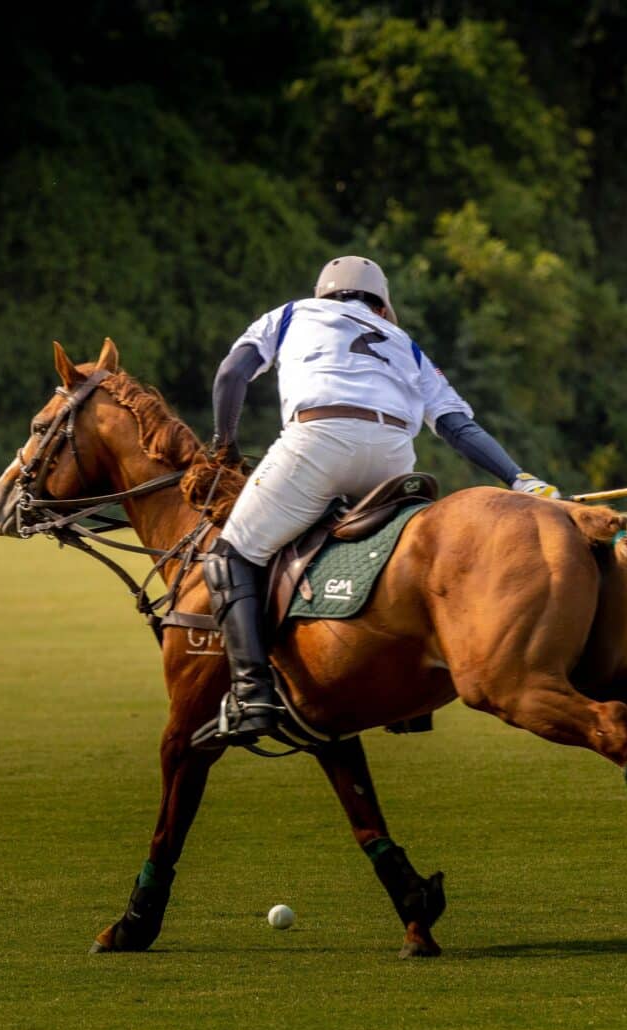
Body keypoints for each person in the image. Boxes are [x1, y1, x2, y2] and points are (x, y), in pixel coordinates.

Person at [200, 255, 560, 746]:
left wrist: (225, 445)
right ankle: (406, 699)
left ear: (324, 293)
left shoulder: (289, 314)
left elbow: (230, 376)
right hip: (392, 455)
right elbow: (457, 426)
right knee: (388, 553)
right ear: (382, 305)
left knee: (231, 554)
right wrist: (519, 478)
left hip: (318, 439)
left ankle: (252, 692)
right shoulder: (406, 344)